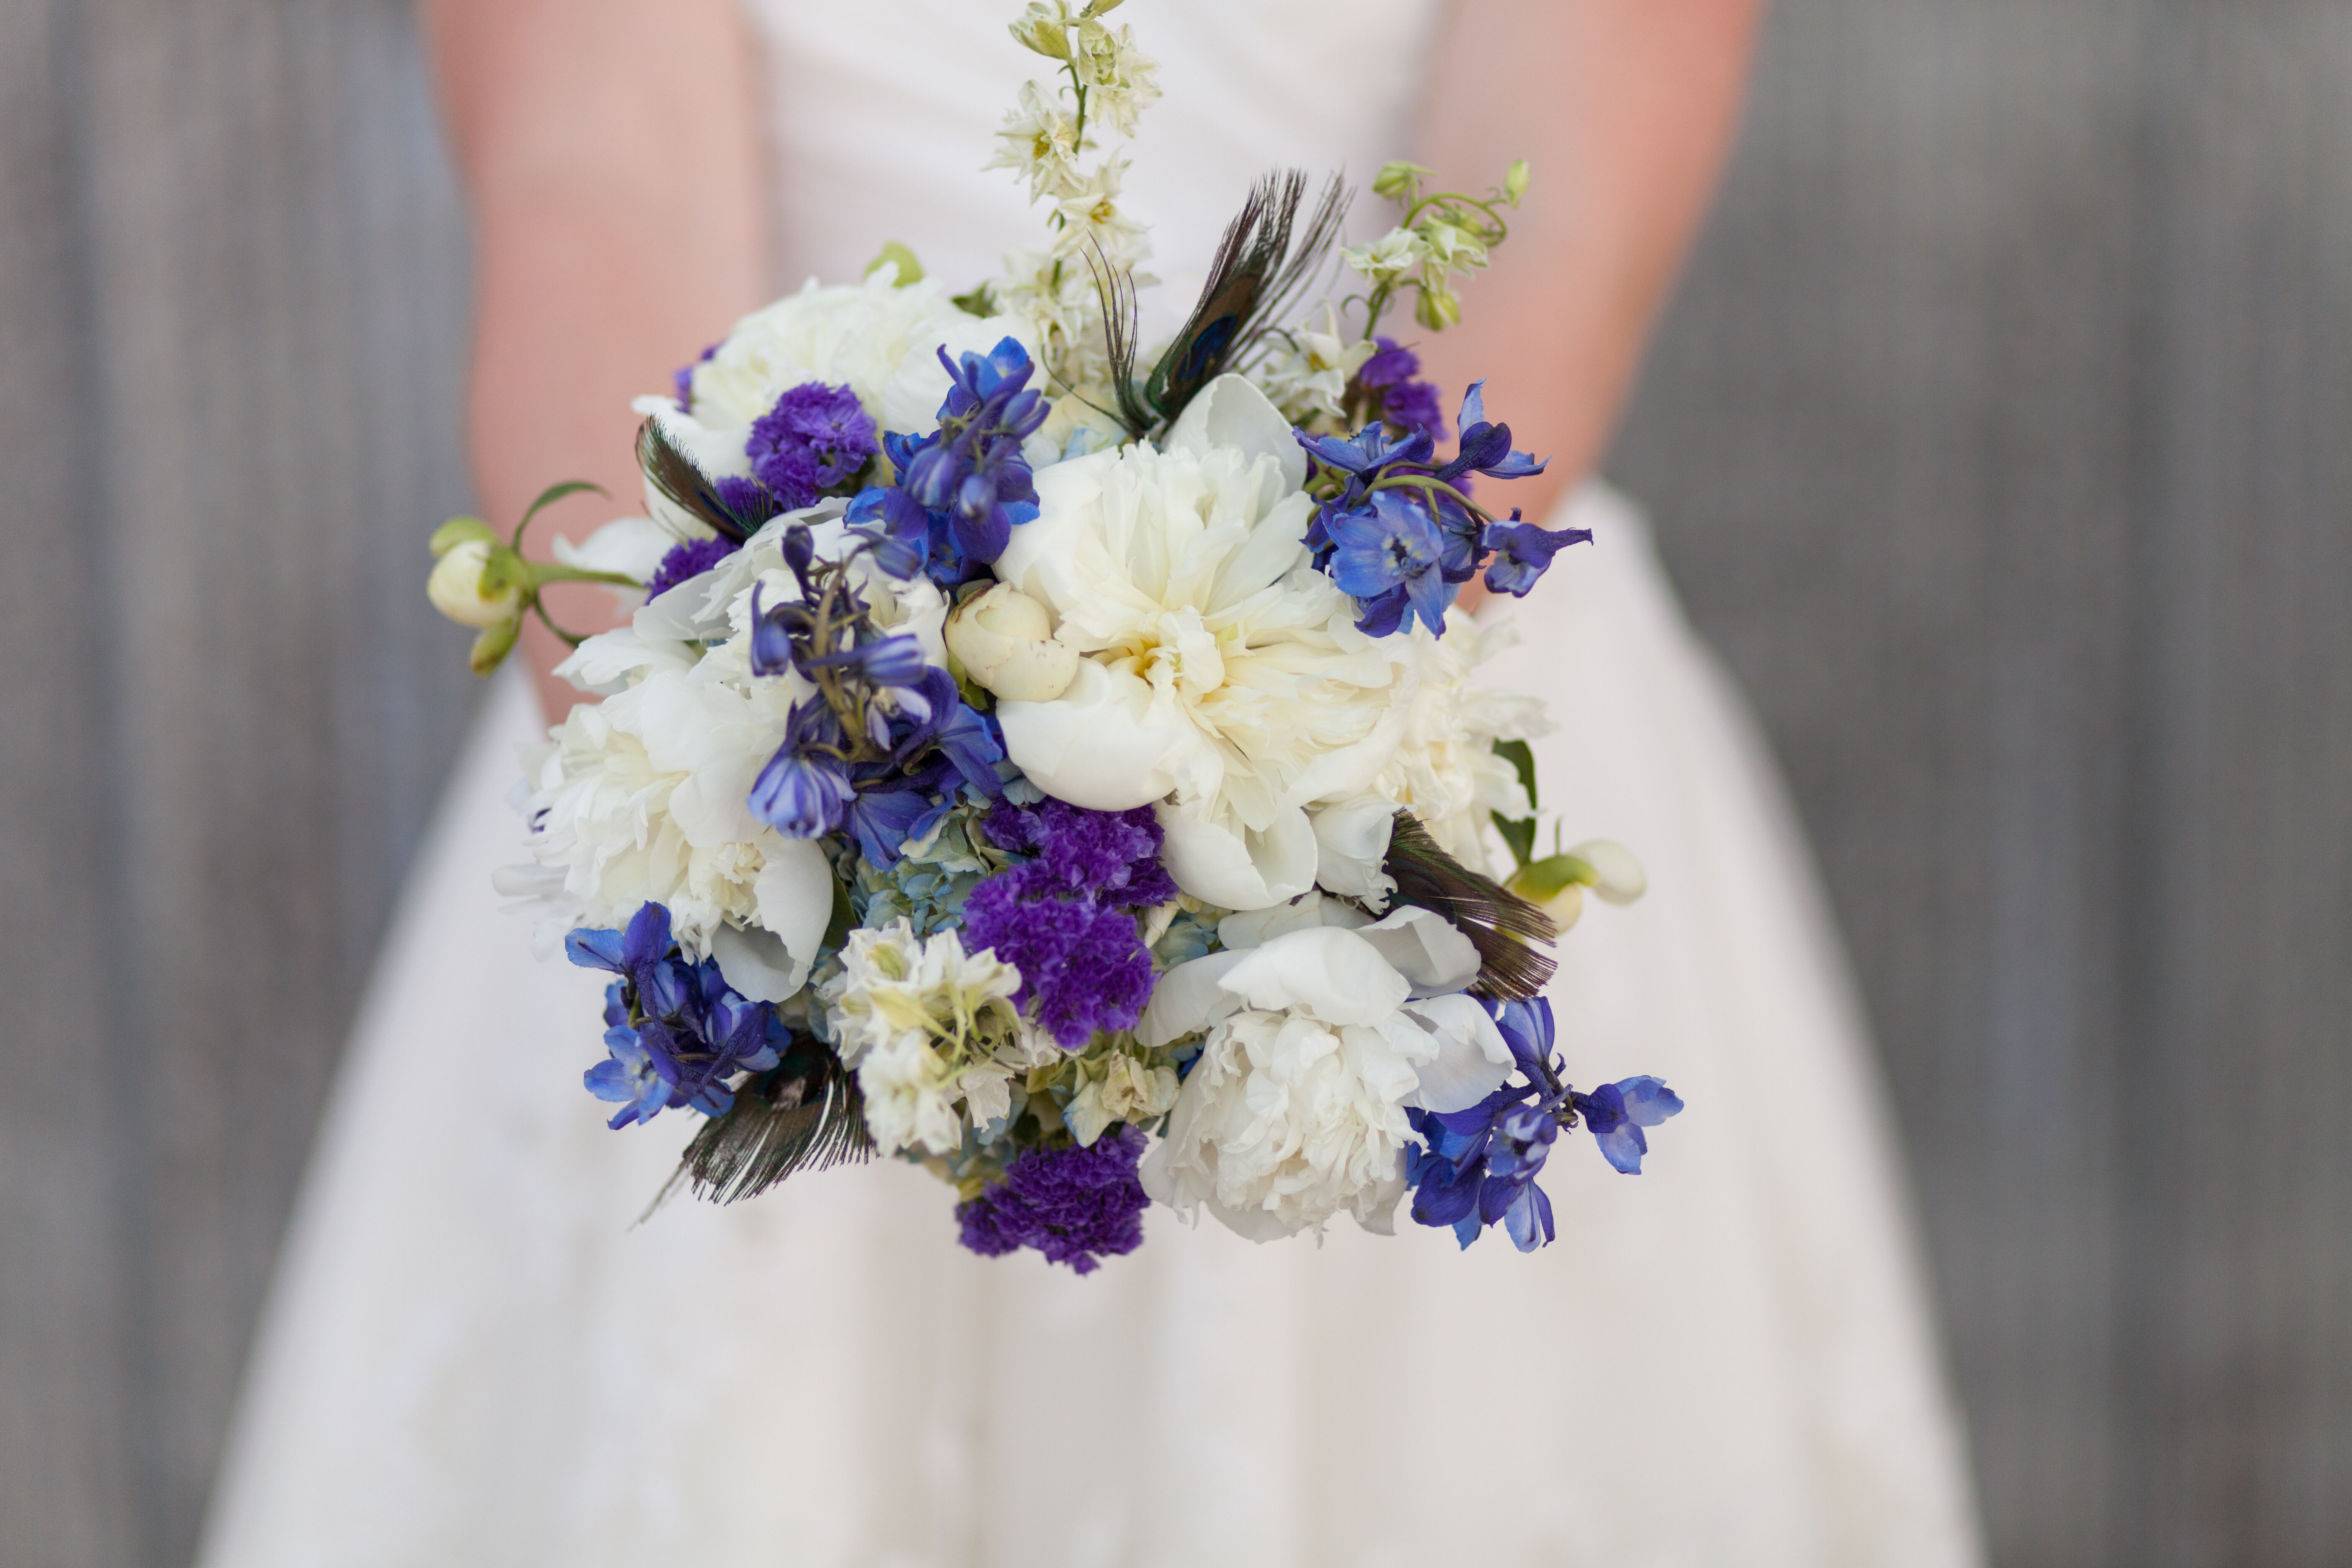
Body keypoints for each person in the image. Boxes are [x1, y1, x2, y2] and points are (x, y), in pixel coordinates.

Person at [198, 2, 1987, 1563]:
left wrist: (1239, 794)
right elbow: (600, 169)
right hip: (800, 723)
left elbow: (1549, 223)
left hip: (1377, 724)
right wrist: (751, 759)